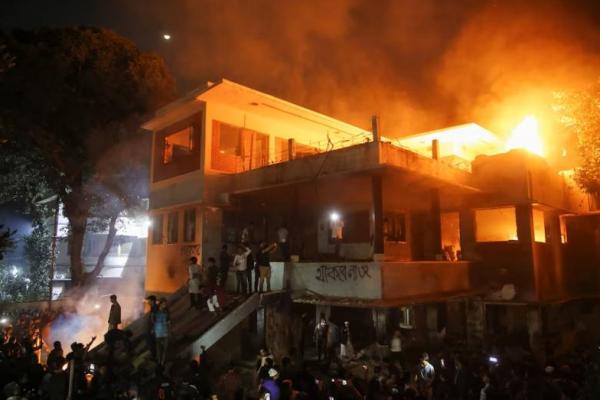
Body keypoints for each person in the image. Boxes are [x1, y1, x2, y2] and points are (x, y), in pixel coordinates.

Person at [154, 298, 170, 365]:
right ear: (160, 304)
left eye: (165, 304)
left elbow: (169, 321)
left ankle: (162, 362)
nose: (165, 305)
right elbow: (153, 321)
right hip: (158, 331)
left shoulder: (167, 311)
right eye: (164, 304)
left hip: (165, 331)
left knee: (165, 348)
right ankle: (159, 361)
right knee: (158, 348)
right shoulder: (156, 311)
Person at [145, 295, 159, 360]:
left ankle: (154, 357)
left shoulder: (155, 308)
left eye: (149, 301)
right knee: (151, 343)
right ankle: (153, 356)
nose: (148, 302)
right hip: (151, 329)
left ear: (152, 301)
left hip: (153, 330)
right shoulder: (153, 307)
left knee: (152, 343)